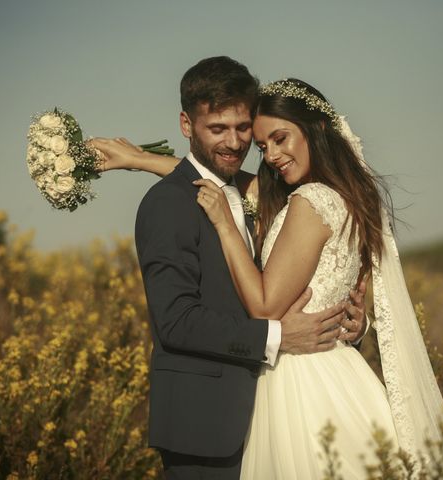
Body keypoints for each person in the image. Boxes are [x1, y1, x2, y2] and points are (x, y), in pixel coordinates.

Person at [88, 57, 370, 479]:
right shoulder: (167, 205)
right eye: (217, 129)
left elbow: (233, 184)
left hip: (282, 411)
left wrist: (353, 321)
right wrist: (278, 335)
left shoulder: (272, 197)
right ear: (187, 126)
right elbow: (176, 322)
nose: (236, 143)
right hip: (205, 425)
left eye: (243, 130)